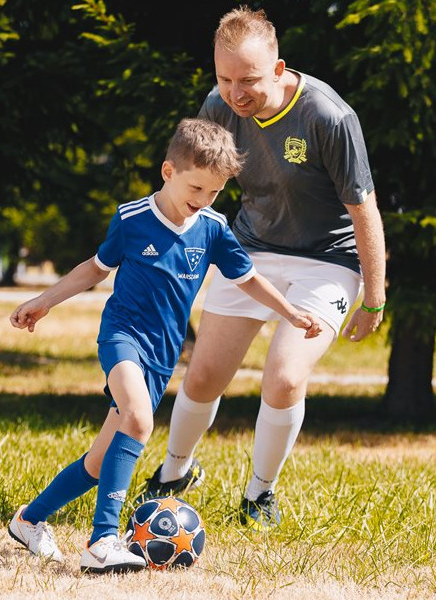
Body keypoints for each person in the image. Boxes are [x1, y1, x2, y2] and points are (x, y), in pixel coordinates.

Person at [7, 117, 321, 574]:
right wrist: (44, 301)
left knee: (99, 461)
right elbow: (94, 268)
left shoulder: (212, 228)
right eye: (196, 188)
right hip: (122, 337)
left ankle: (29, 520)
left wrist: (290, 313)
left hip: (162, 356)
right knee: (138, 419)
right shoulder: (132, 219)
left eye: (215, 192)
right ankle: (102, 541)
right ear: (168, 172)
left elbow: (248, 278)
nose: (204, 199)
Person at [139, 6, 386, 531]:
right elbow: (193, 182)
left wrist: (374, 297)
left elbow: (364, 210)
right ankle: (173, 474)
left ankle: (259, 494)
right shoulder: (218, 105)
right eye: (224, 78)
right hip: (251, 250)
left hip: (327, 260)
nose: (235, 93)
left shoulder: (328, 117)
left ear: (277, 69)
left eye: (248, 80)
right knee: (204, 375)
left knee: (284, 378)